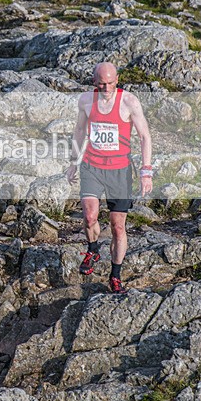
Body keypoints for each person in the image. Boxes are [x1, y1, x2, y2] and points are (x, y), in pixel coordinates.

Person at [65, 62, 152, 294]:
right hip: (91, 167)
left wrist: (146, 171)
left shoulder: (129, 101)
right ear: (94, 81)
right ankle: (93, 249)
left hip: (120, 171)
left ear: (117, 80)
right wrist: (73, 162)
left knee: (117, 227)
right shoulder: (86, 100)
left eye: (110, 83)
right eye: (101, 84)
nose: (106, 88)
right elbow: (80, 131)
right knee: (89, 216)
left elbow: (145, 136)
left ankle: (115, 275)